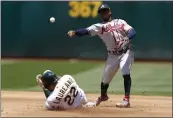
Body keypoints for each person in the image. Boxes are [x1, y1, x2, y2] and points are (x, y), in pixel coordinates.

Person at [67, 4, 136, 108]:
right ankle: (103, 96)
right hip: (112, 56)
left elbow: (132, 31)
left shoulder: (120, 22)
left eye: (105, 11)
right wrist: (75, 32)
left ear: (110, 12)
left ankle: (126, 100)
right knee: (105, 81)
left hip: (125, 52)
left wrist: (127, 38)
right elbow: (86, 31)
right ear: (100, 15)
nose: (104, 13)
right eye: (102, 12)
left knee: (125, 71)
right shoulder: (98, 27)